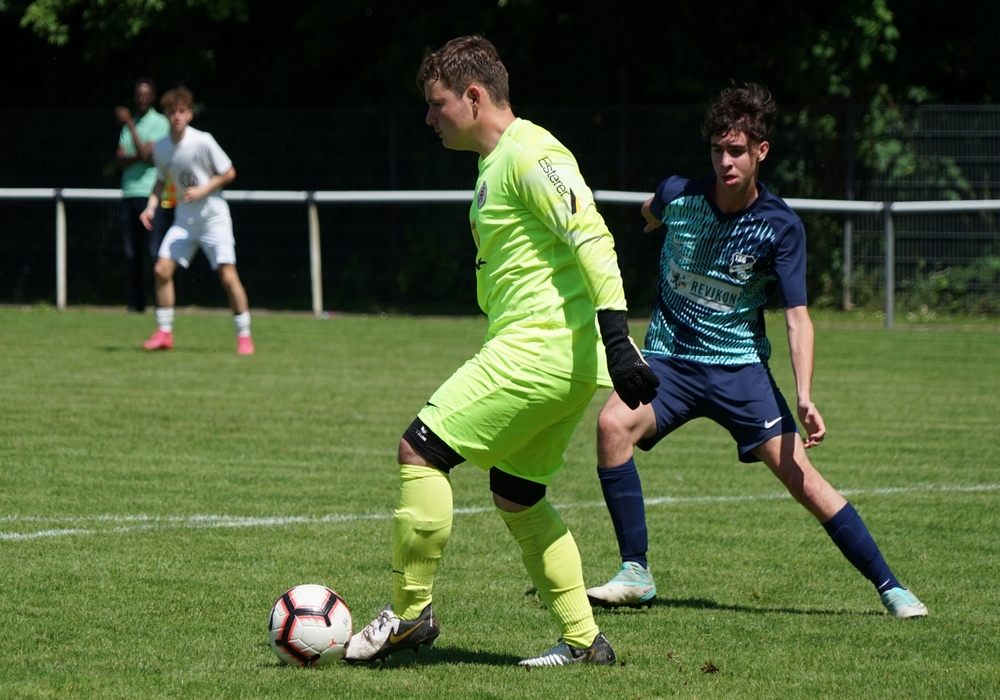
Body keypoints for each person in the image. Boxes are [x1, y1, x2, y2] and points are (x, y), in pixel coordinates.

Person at [344, 35, 658, 668]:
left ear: (473, 96)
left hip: (537, 351)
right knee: (518, 494)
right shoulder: (494, 163)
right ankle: (584, 641)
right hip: (559, 362)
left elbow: (593, 237)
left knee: (420, 449)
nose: (429, 118)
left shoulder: (531, 153)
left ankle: (410, 612)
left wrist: (619, 337)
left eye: (437, 104)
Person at [584, 84, 928, 620]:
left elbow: (797, 316)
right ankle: (636, 572)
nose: (725, 161)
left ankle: (892, 588)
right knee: (611, 425)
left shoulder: (780, 227)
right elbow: (653, 207)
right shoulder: (680, 196)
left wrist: (805, 395)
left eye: (737, 151)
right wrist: (652, 215)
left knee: (803, 480)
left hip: (739, 372)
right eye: (717, 150)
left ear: (760, 151)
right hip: (671, 361)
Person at [139, 87, 254, 355]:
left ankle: (244, 336)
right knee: (161, 270)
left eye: (182, 111)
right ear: (166, 115)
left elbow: (229, 172)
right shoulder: (162, 147)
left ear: (190, 115)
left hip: (214, 220)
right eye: (172, 112)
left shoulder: (203, 141)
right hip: (185, 221)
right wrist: (150, 206)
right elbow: (160, 180)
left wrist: (203, 190)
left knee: (227, 276)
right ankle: (164, 333)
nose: (177, 116)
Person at [115, 77, 170, 313]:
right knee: (132, 254)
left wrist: (130, 124)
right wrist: (140, 153)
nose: (141, 99)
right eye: (138, 95)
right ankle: (136, 304)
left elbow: (148, 156)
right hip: (129, 195)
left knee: (154, 252)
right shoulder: (131, 125)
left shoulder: (160, 123)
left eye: (146, 95)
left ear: (153, 97)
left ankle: (161, 303)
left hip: (150, 197)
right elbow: (119, 160)